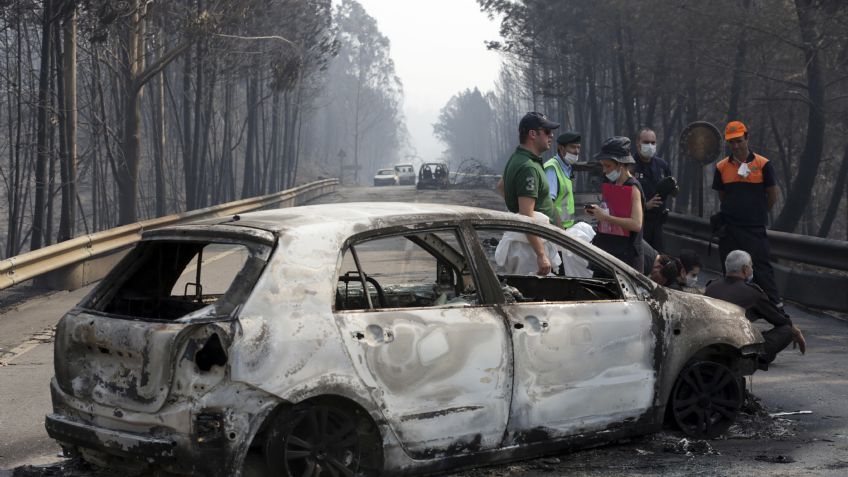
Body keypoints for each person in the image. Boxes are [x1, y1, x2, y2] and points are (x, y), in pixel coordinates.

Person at [712, 121, 782, 307]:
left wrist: (757, 211)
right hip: (730, 229)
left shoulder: (763, 164)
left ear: (747, 138)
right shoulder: (721, 167)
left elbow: (773, 194)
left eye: (739, 141)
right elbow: (722, 195)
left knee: (762, 269)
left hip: (754, 228)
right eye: (731, 142)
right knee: (730, 273)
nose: (735, 146)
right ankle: (730, 309)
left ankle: (776, 309)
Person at [705, 250, 806, 365]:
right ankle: (755, 358)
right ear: (745, 269)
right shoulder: (753, 293)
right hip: (737, 349)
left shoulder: (711, 286)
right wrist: (796, 332)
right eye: (751, 266)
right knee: (786, 330)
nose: (752, 270)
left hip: (710, 344)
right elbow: (780, 320)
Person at [496, 111, 560, 275]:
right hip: (529, 249)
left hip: (526, 243)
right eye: (546, 132)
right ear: (533, 134)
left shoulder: (517, 158)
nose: (551, 136)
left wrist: (515, 210)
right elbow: (526, 217)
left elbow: (501, 186)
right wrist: (540, 254)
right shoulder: (528, 168)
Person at [586, 137, 645, 270]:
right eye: (603, 166)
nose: (604, 170)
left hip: (626, 258)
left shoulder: (633, 187)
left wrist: (605, 217)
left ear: (621, 164)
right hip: (608, 251)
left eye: (608, 166)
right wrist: (597, 211)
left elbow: (636, 224)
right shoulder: (611, 184)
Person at [633, 128, 672, 251]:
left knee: (658, 261)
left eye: (653, 142)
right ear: (637, 143)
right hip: (638, 224)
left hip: (658, 224)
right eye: (646, 142)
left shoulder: (662, 166)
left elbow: (670, 188)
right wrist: (645, 206)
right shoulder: (629, 166)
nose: (650, 145)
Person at [544, 131, 581, 229]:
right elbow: (548, 203)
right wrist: (559, 229)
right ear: (561, 148)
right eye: (573, 147)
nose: (577, 151)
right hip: (556, 229)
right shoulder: (552, 168)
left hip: (565, 228)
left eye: (578, 147)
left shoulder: (567, 167)